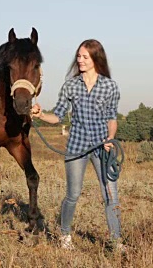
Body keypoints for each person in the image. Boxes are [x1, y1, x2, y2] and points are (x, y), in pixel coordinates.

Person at [31, 39, 124, 252]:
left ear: (95, 59)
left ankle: (116, 241)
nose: (80, 60)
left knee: (111, 195)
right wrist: (40, 115)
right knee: (72, 194)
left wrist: (110, 138)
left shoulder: (110, 86)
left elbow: (112, 118)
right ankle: (65, 235)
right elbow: (58, 116)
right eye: (79, 56)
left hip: (103, 148)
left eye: (85, 57)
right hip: (76, 147)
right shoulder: (70, 85)